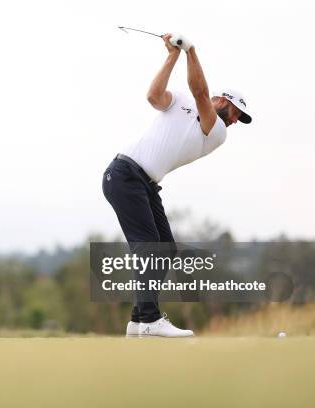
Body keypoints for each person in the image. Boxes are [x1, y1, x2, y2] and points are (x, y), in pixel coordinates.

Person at [102, 33, 252, 338]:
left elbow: (199, 91)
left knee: (164, 248)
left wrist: (191, 51)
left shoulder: (218, 131)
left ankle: (138, 321)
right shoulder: (182, 102)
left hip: (145, 183)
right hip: (124, 174)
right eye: (237, 113)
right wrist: (173, 54)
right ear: (223, 101)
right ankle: (150, 319)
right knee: (148, 246)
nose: (236, 120)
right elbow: (154, 96)